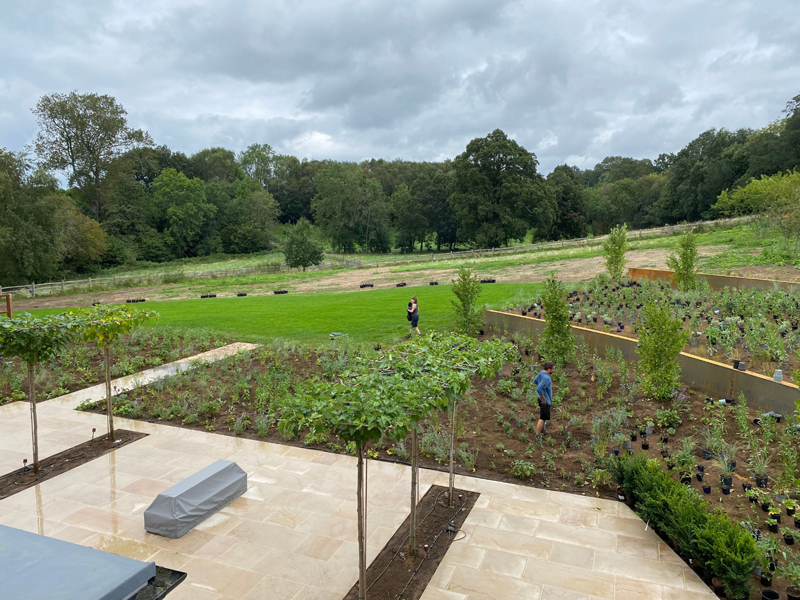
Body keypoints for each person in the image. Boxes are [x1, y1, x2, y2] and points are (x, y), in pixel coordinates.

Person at [533, 361, 555, 440]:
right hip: (544, 401)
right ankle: (537, 436)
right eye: (553, 369)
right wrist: (543, 398)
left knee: (544, 417)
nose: (554, 371)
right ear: (549, 369)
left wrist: (540, 396)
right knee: (542, 418)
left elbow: (535, 382)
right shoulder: (547, 378)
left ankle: (542, 430)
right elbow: (539, 388)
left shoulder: (541, 372)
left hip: (541, 399)